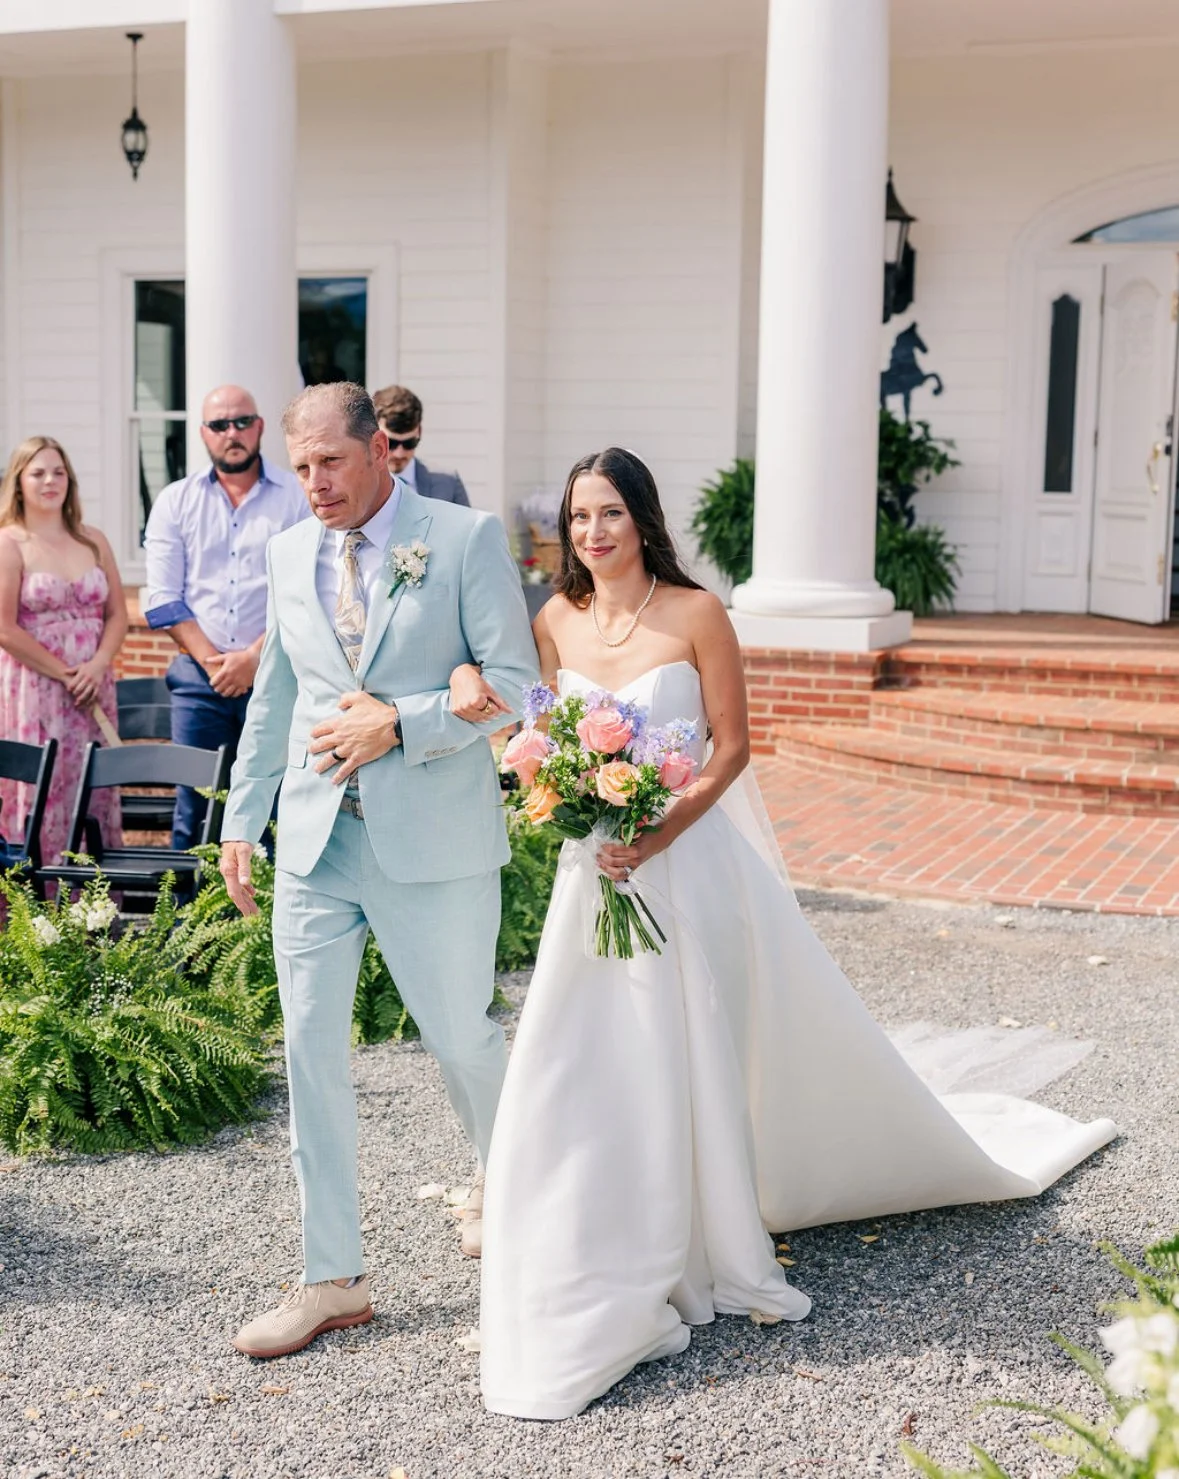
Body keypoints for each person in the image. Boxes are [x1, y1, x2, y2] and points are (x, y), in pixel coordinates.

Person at [446, 447, 1118, 1421]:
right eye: (579, 516)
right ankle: (588, 1215)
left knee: (693, 1045)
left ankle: (708, 1224)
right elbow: (531, 734)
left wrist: (657, 828)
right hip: (596, 875)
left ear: (643, 519)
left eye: (610, 514)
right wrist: (563, 799)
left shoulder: (697, 613)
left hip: (687, 870)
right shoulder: (554, 620)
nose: (593, 533)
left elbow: (731, 747)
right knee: (583, 1051)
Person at [218, 382, 537, 1360]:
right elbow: (278, 697)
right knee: (309, 1052)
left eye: (330, 464)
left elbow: (520, 694)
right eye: (299, 465)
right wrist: (243, 816)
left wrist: (403, 723)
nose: (311, 483)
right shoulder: (285, 553)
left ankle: (522, 1206)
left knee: (462, 1038)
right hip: (317, 845)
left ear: (380, 455)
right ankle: (334, 1278)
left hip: (431, 838)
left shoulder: (465, 537)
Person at [142, 385, 307, 850]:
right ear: (203, 434)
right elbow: (163, 598)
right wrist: (217, 663)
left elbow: (305, 591)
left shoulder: (296, 497)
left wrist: (255, 658)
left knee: (277, 801)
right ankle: (188, 922)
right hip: (200, 682)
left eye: (241, 422)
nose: (230, 433)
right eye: (219, 425)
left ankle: (270, 919)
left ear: (258, 428)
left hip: (277, 674)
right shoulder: (175, 501)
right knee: (196, 808)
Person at [0, 436, 126, 865]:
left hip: (94, 687)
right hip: (37, 690)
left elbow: (118, 616)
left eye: (58, 471)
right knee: (44, 786)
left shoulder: (93, 540)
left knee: (93, 789)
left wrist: (96, 666)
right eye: (38, 473)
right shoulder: (9, 543)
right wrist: (66, 673)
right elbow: (4, 628)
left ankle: (95, 912)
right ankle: (40, 908)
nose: (50, 481)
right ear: (19, 482)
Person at [370, 385, 470, 505]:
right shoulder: (355, 483)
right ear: (374, 435)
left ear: (419, 432)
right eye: (391, 443)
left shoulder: (448, 482)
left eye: (409, 443)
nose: (399, 454)